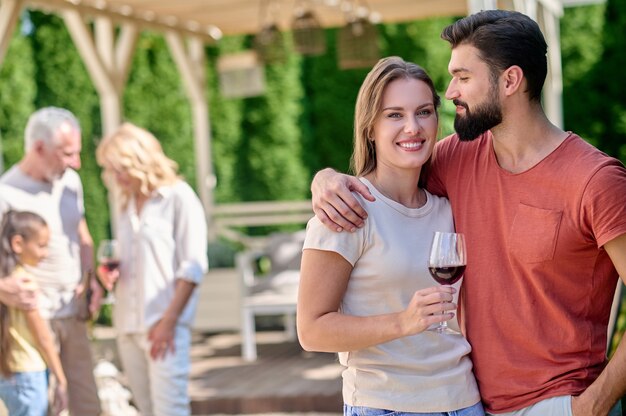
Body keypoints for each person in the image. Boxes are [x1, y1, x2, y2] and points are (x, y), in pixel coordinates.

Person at [310, 10, 626, 416]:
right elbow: (388, 176)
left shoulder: (595, 180)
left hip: (559, 404)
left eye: (463, 76)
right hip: (471, 402)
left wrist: (596, 404)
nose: (451, 90)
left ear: (510, 80)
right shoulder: (453, 158)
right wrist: (326, 179)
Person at [298, 56, 484, 416]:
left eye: (424, 112)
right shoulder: (345, 210)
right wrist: (404, 322)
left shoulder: (450, 207)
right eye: (394, 115)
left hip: (464, 401)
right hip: (386, 406)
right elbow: (312, 330)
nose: (412, 127)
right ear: (370, 128)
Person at [95, 122, 208, 416]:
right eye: (110, 170)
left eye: (120, 169)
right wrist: (110, 273)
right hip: (127, 326)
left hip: (163, 326)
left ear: (141, 162)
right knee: (144, 409)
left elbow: (193, 268)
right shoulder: (126, 203)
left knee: (171, 410)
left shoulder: (179, 197)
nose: (115, 178)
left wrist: (168, 323)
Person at [0, 107, 103, 415]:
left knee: (87, 405)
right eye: (67, 154)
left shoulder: (71, 182)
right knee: (47, 407)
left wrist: (91, 278)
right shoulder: (6, 193)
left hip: (73, 313)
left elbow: (81, 233)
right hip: (34, 323)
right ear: (39, 148)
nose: (76, 163)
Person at [0, 210, 68, 416]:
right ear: (18, 243)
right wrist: (61, 378)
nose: (45, 253)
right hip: (29, 374)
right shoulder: (23, 284)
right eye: (41, 245)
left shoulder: (5, 281)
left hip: (8, 373)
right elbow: (43, 338)